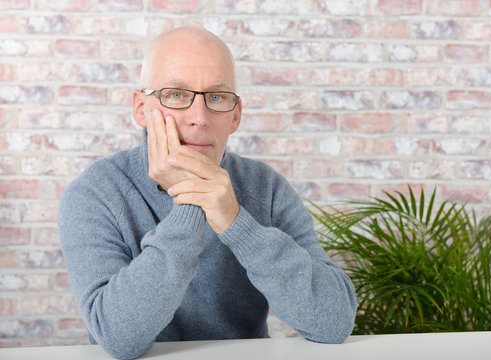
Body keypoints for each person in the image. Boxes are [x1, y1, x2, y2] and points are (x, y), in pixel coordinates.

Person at [58, 26, 357, 360]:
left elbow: (333, 322)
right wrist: (191, 203)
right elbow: (117, 337)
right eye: (175, 94)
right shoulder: (95, 193)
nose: (199, 118)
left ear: (235, 116)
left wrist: (234, 220)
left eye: (216, 97)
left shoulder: (266, 188)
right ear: (141, 108)